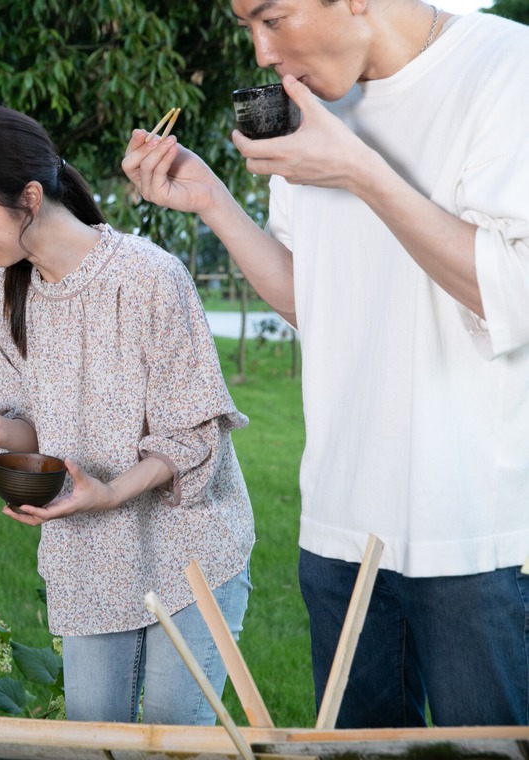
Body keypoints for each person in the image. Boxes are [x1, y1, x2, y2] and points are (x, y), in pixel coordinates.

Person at [121, 0, 529, 728]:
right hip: (340, 528)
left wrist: (359, 170)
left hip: (476, 535)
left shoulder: (504, 69)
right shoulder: (308, 112)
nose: (260, 53)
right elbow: (315, 298)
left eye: (271, 18)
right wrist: (211, 198)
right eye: (247, 26)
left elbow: (511, 297)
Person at [0, 104, 255, 725]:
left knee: (170, 738)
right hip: (86, 561)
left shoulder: (150, 277)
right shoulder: (6, 290)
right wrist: (0, 429)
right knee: (92, 738)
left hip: (190, 556)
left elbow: (190, 435)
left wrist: (107, 492)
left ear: (28, 197)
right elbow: (28, 422)